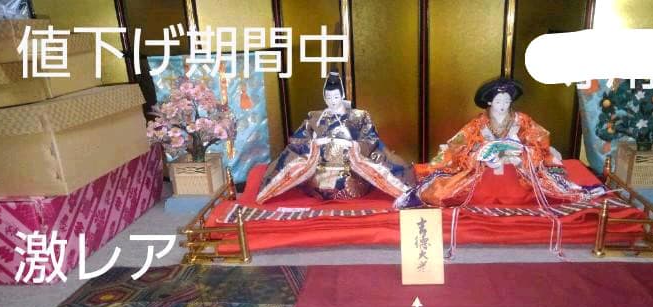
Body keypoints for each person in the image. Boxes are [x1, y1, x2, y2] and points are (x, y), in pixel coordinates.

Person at [397, 77, 604, 209]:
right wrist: (481, 155)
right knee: (451, 186)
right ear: (489, 102)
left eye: (506, 101)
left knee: (542, 178)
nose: (503, 105)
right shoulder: (479, 123)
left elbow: (538, 141)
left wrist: (521, 154)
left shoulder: (522, 120)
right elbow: (460, 145)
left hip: (517, 170)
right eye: (498, 101)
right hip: (486, 171)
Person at [257, 70, 413, 203]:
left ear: (342, 95)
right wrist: (316, 143)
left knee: (371, 169)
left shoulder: (359, 116)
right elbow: (298, 141)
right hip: (320, 169)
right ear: (324, 97)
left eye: (336, 97)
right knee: (313, 179)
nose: (332, 101)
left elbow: (370, 138)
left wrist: (353, 145)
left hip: (351, 168)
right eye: (329, 97)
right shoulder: (315, 118)